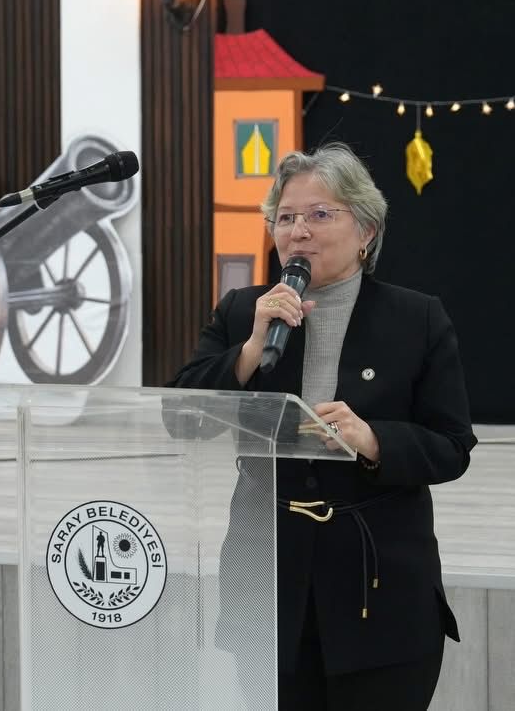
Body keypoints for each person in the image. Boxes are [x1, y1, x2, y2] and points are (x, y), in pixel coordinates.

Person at [168, 143, 476, 710]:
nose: (299, 231)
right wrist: (251, 349)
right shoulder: (243, 311)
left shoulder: (417, 319)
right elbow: (180, 417)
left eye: (319, 214)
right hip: (268, 580)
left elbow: (453, 447)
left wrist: (373, 439)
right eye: (285, 217)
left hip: (377, 587)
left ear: (366, 231)